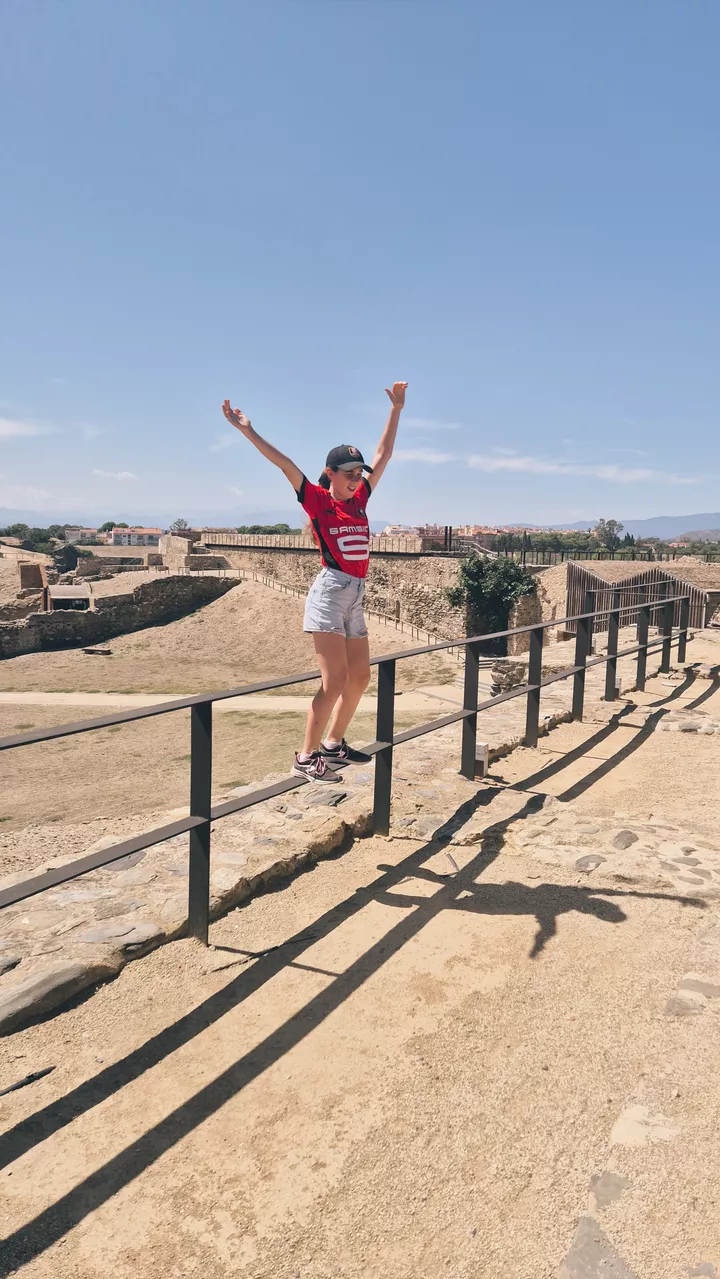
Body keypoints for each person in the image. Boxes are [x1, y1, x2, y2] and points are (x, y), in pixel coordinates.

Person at [221, 382, 408, 781]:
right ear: (330, 473)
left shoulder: (360, 500)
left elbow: (384, 454)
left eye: (360, 473)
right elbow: (285, 464)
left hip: (356, 595)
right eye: (349, 473)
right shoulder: (319, 501)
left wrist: (397, 409)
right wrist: (247, 431)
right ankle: (306, 756)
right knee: (335, 680)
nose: (357, 479)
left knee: (360, 677)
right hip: (329, 594)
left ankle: (333, 745)